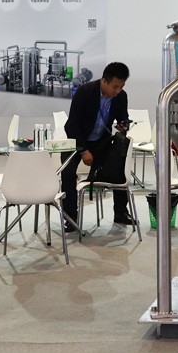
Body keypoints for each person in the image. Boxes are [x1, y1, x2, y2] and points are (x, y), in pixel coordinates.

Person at [61, 62, 131, 232]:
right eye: (115, 87)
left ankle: (121, 212)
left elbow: (123, 117)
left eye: (121, 87)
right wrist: (83, 150)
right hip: (77, 140)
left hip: (101, 140)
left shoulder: (121, 96)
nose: (118, 91)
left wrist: (123, 125)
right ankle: (70, 218)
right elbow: (71, 125)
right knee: (68, 173)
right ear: (104, 81)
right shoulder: (85, 92)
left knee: (119, 169)